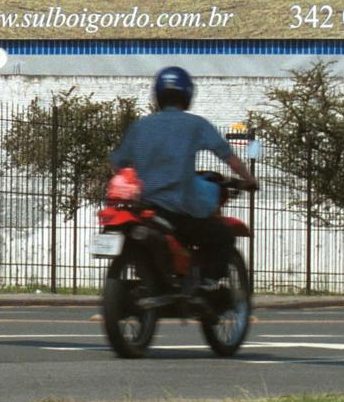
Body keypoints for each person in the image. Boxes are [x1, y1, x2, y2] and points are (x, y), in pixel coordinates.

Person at [108, 66, 257, 282]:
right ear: (187, 95)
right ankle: (206, 285)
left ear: (158, 95)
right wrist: (249, 179)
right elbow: (229, 157)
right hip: (178, 210)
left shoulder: (141, 126)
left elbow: (117, 163)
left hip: (144, 209)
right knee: (222, 235)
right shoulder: (196, 124)